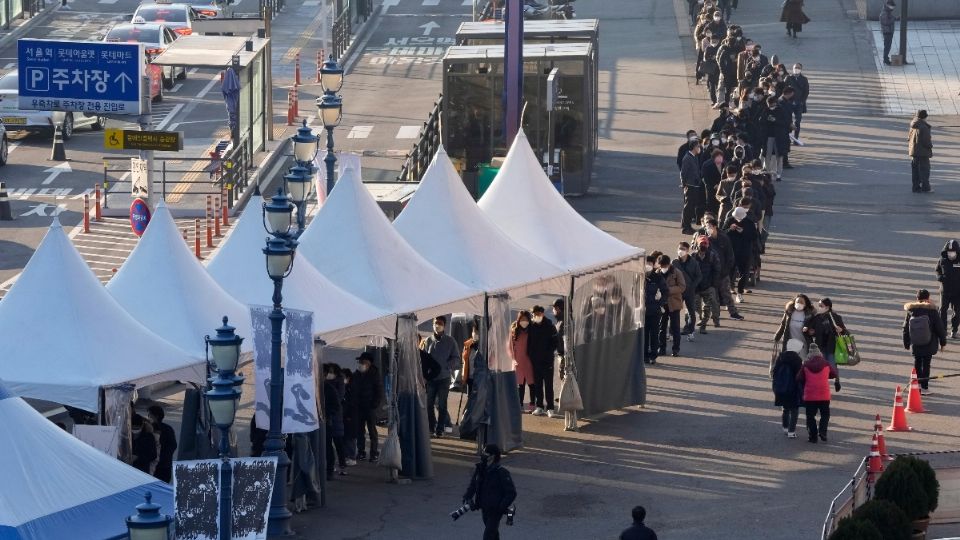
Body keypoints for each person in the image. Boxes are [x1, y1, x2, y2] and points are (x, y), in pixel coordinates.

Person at [462, 444, 517, 540]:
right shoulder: (480, 469)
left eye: (486, 453)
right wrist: (467, 497)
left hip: (495, 511)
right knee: (493, 534)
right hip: (484, 508)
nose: (483, 455)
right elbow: (473, 484)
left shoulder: (502, 473)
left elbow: (511, 493)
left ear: (493, 456)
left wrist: (501, 507)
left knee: (488, 536)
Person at [902, 289, 947, 394]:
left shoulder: (911, 310)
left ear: (917, 298)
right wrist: (943, 343)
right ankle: (924, 387)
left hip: (915, 342)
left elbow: (905, 328)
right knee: (926, 364)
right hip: (929, 343)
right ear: (928, 298)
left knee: (917, 362)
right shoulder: (932, 311)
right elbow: (940, 328)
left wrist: (906, 342)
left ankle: (915, 385)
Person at [423, 315, 460, 437]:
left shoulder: (450, 341)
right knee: (429, 404)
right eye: (435, 323)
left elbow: (456, 358)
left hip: (444, 378)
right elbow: (422, 358)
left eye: (439, 323)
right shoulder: (427, 341)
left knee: (442, 404)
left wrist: (447, 365)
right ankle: (431, 427)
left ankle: (440, 428)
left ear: (444, 325)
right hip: (431, 379)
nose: (437, 325)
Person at [796, 345, 840, 443]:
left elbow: (799, 378)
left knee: (810, 416)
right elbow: (834, 374)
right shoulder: (826, 364)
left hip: (810, 395)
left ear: (809, 355)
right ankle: (822, 431)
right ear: (820, 355)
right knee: (825, 414)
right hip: (824, 394)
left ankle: (813, 436)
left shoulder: (806, 365)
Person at [527, 305, 560, 418]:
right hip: (535, 361)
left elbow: (555, 342)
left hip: (547, 361)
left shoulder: (550, 326)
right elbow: (529, 343)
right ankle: (539, 406)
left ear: (543, 313)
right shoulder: (531, 326)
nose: (536, 316)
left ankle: (550, 408)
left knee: (549, 385)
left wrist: (548, 353)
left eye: (538, 314)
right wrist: (531, 355)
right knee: (538, 385)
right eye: (534, 314)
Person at [724, 207, 757, 303]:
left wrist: (743, 231)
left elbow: (754, 236)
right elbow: (722, 233)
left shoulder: (749, 223)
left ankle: (740, 292)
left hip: (745, 252)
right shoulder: (729, 220)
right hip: (731, 251)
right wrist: (730, 229)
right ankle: (730, 290)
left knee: (745, 273)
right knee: (730, 271)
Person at [772, 339, 804, 438]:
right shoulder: (797, 359)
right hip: (792, 388)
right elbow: (799, 376)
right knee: (794, 410)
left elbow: (775, 372)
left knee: (785, 409)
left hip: (781, 387)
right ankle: (791, 431)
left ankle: (785, 428)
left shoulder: (780, 357)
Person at [657, 255, 687, 358]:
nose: (663, 268)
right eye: (661, 266)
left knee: (675, 328)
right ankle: (661, 348)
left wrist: (668, 290)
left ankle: (676, 349)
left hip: (674, 304)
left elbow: (682, 287)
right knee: (661, 327)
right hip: (662, 305)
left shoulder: (676, 273)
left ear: (669, 264)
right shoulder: (657, 273)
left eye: (665, 266)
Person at [773, 294, 814, 368]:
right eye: (798, 301)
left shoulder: (809, 315)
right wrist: (777, 336)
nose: (799, 304)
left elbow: (813, 328)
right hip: (791, 343)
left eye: (802, 302)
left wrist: (809, 329)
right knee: (791, 365)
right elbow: (783, 325)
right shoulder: (789, 313)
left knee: (803, 365)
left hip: (803, 344)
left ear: (805, 304)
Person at [355, 352, 382, 462]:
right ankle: (361, 452)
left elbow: (379, 391)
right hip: (359, 406)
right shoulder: (357, 374)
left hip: (370, 407)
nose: (360, 364)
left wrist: (374, 404)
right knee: (359, 431)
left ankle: (374, 453)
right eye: (360, 362)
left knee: (372, 431)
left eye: (363, 362)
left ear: (369, 363)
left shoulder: (374, 374)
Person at [804, 298, 846, 367]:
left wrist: (841, 330)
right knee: (822, 366)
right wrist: (810, 332)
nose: (819, 307)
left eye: (821, 306)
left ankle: (835, 375)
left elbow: (844, 331)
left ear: (827, 307)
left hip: (832, 347)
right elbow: (810, 329)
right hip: (820, 346)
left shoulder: (836, 317)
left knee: (831, 365)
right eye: (819, 305)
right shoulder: (816, 318)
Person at [509, 310, 536, 412]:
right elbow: (509, 347)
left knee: (532, 384)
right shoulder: (514, 331)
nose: (524, 322)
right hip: (518, 361)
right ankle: (520, 405)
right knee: (520, 385)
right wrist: (513, 359)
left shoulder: (532, 331)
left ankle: (532, 405)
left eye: (526, 319)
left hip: (529, 361)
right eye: (522, 319)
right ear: (519, 320)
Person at [323, 364, 346, 479]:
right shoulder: (321, 386)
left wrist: (329, 415)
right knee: (327, 445)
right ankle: (329, 469)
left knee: (335, 444)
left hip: (331, 420)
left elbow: (336, 405)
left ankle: (332, 469)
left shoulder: (331, 388)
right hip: (326, 420)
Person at [644, 256, 669, 364]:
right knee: (644, 334)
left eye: (650, 263)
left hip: (655, 311)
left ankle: (653, 355)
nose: (647, 265)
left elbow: (665, 292)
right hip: (642, 312)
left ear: (653, 264)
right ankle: (644, 355)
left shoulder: (658, 278)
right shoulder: (639, 277)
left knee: (654, 334)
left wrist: (660, 302)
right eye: (646, 263)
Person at [693, 236, 721, 332]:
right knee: (696, 305)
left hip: (708, 285)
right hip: (696, 286)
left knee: (711, 304)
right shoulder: (693, 256)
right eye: (701, 244)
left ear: (708, 245)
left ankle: (713, 321)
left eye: (705, 244)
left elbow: (717, 270)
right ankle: (701, 319)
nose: (703, 246)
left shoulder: (712, 256)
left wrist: (713, 284)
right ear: (697, 245)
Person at [761, 95, 791, 181]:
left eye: (772, 104)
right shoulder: (765, 110)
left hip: (779, 137)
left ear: (775, 103)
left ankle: (778, 174)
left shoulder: (781, 110)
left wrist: (775, 120)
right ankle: (768, 172)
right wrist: (767, 119)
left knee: (779, 156)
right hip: (768, 136)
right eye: (769, 105)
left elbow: (785, 123)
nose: (770, 107)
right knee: (767, 154)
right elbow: (761, 122)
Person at [676, 242, 702, 337]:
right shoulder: (674, 262)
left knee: (691, 311)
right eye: (679, 248)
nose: (680, 251)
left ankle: (691, 331)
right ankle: (673, 331)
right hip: (678, 291)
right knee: (675, 311)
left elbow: (699, 276)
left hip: (690, 291)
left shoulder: (693, 262)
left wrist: (692, 286)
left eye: (683, 249)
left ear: (687, 250)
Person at [936, 239, 960, 339]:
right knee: (942, 311)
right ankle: (943, 331)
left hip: (958, 292)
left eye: (953, 252)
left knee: (957, 311)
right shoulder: (942, 260)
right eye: (949, 252)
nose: (951, 254)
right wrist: (939, 277)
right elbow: (937, 270)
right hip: (945, 291)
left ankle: (954, 330)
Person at [147, 405, 177, 483]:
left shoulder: (149, 429)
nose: (148, 417)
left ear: (156, 416)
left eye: (149, 415)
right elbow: (173, 445)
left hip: (155, 466)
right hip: (165, 466)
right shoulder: (168, 429)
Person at [680, 140, 704, 234]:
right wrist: (684, 184)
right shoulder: (687, 158)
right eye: (698, 146)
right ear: (694, 147)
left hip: (695, 185)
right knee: (688, 207)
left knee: (690, 207)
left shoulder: (694, 157)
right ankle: (686, 227)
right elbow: (683, 172)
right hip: (690, 186)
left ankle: (687, 225)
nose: (699, 148)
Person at [908, 109, 933, 193]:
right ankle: (926, 188)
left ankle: (915, 188)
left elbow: (909, 138)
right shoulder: (923, 127)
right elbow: (926, 141)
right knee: (924, 170)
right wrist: (930, 146)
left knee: (915, 171)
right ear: (925, 117)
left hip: (914, 151)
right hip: (922, 152)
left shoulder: (913, 124)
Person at [785, 64, 809, 139]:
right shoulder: (788, 78)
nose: (796, 69)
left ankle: (796, 137)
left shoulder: (804, 79)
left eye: (798, 68)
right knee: (787, 120)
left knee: (797, 121)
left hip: (799, 103)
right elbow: (784, 89)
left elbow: (806, 92)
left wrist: (802, 101)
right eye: (795, 67)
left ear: (801, 69)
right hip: (789, 103)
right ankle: (787, 136)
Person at [341, 368, 359, 465]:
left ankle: (351, 457)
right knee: (345, 437)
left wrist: (349, 415)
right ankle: (347, 456)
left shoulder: (352, 388)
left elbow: (352, 404)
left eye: (343, 377)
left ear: (348, 378)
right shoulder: (345, 387)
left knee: (350, 438)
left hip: (351, 416)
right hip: (346, 416)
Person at [879, 1, 897, 65]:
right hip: (887, 32)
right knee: (887, 46)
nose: (893, 9)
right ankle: (885, 59)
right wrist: (893, 19)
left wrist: (893, 18)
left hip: (889, 31)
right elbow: (886, 22)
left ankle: (886, 58)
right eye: (892, 7)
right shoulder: (884, 13)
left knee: (888, 46)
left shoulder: (887, 12)